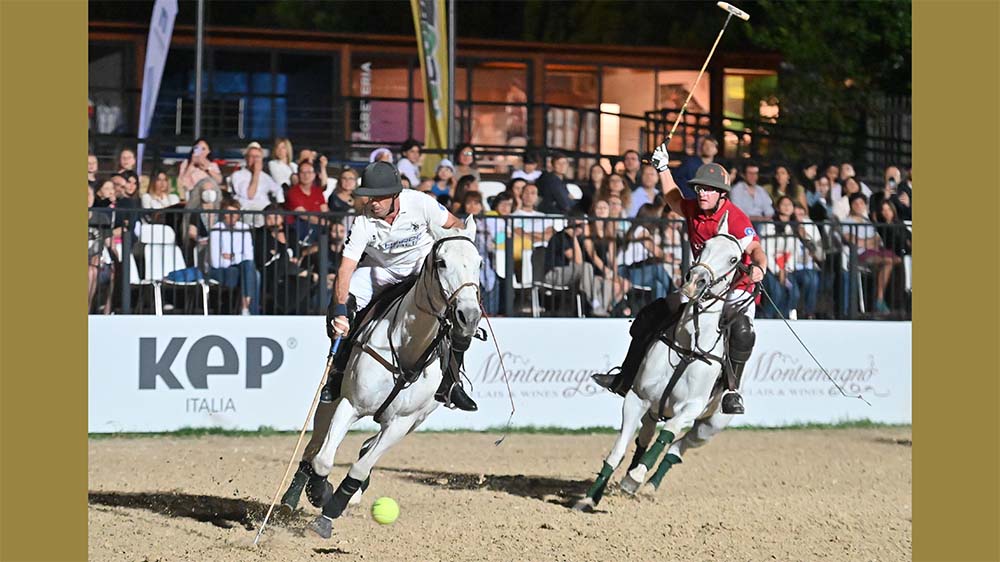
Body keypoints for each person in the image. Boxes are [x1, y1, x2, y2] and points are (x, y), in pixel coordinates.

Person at [593, 146, 768, 416]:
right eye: (699, 188)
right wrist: (663, 168)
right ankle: (625, 378)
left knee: (742, 331)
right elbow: (674, 198)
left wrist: (759, 268)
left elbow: (755, 248)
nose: (702, 193)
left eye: (709, 189)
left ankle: (732, 392)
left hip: (736, 289)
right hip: (701, 286)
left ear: (722, 193)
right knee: (651, 315)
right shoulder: (693, 209)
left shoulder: (734, 218)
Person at [325, 160, 478, 411]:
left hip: (422, 268)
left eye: (378, 197)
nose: (372, 203)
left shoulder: (421, 203)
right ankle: (337, 372)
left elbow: (455, 225)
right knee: (340, 304)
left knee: (456, 315)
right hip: (381, 270)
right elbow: (346, 268)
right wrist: (340, 310)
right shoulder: (363, 222)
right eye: (369, 197)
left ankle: (451, 383)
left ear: (396, 195)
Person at [542, 214, 613, 317]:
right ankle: (595, 305)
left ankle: (599, 310)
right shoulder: (561, 237)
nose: (580, 228)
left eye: (582, 225)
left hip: (572, 276)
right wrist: (574, 238)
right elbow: (578, 261)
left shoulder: (580, 240)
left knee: (606, 283)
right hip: (554, 274)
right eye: (577, 225)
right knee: (586, 267)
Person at [840, 193, 901, 314]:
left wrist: (864, 242)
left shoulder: (867, 221)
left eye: (861, 203)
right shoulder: (846, 221)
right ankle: (879, 299)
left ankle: (886, 300)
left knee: (898, 260)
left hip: (875, 251)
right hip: (859, 255)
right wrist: (867, 242)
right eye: (855, 203)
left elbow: (877, 239)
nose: (858, 206)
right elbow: (851, 240)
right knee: (888, 261)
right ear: (851, 205)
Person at [208, 198, 260, 315]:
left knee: (253, 271)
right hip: (219, 270)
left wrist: (231, 257)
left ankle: (245, 307)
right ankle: (250, 311)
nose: (232, 216)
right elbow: (215, 262)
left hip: (241, 267)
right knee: (252, 274)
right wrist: (237, 258)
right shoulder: (216, 229)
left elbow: (249, 256)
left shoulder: (244, 228)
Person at [617, 203, 674, 300]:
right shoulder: (640, 230)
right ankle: (675, 292)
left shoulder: (635, 229)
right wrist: (667, 257)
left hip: (634, 270)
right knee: (657, 268)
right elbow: (654, 250)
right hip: (626, 272)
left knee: (659, 285)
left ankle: (662, 311)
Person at [231, 142, 284, 228]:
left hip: (265, 211)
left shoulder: (265, 176)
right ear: (246, 158)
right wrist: (256, 173)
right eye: (252, 157)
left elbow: (278, 189)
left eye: (257, 157)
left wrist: (279, 204)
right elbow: (250, 195)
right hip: (248, 212)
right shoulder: (238, 175)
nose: (255, 160)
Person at [284, 160, 330, 243]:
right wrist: (324, 223)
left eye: (309, 172)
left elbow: (325, 210)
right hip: (299, 228)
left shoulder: (318, 191)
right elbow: (303, 215)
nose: (306, 175)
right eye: (303, 172)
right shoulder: (293, 192)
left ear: (314, 174)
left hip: (318, 226)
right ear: (298, 174)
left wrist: (328, 222)